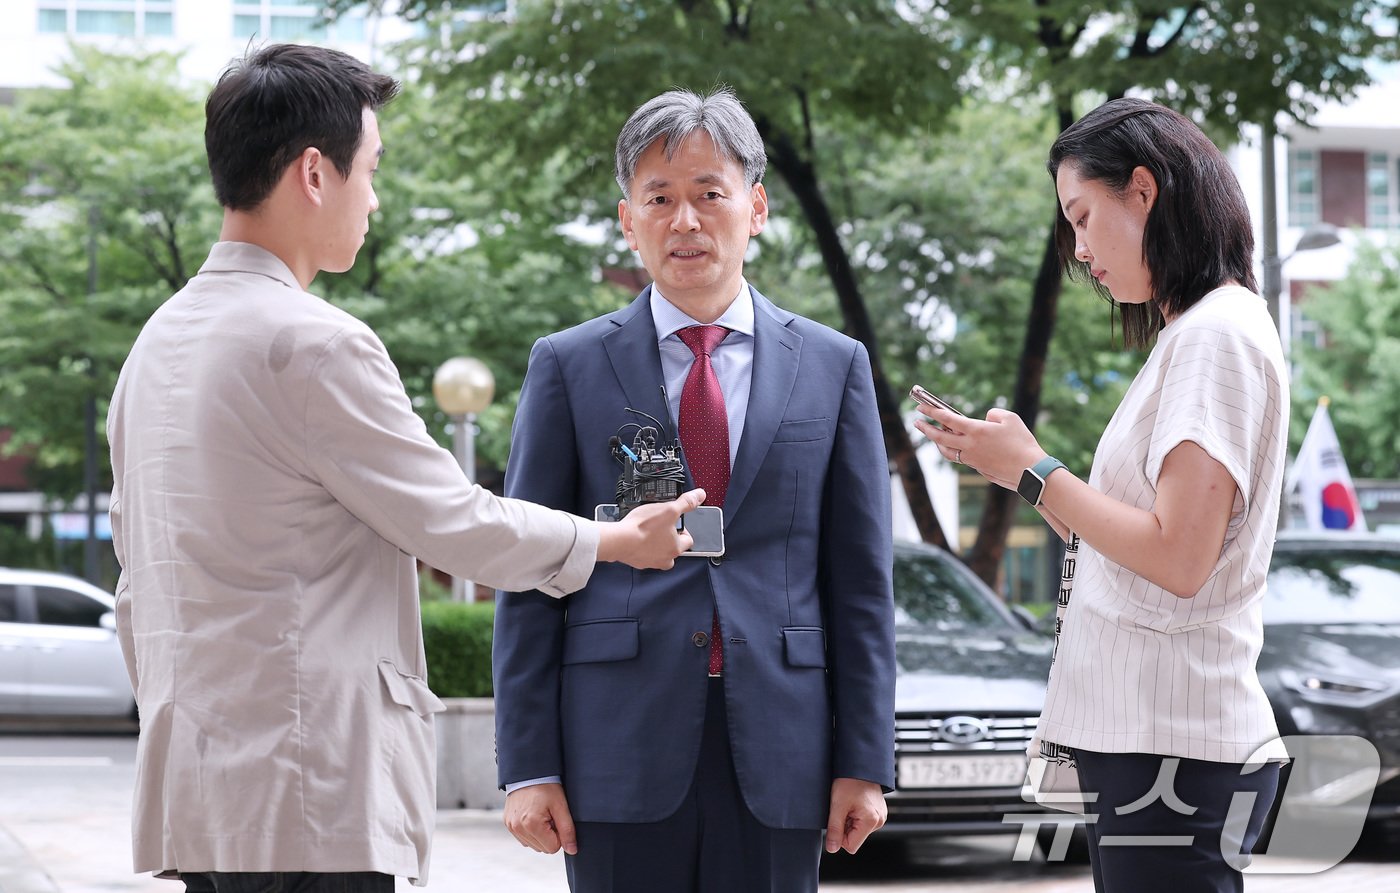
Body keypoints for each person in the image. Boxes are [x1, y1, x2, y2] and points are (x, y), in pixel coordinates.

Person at [106, 43, 703, 893]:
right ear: (316, 172)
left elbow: (137, 582)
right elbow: (455, 521)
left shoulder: (154, 345)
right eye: (371, 169)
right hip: (310, 788)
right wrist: (614, 540)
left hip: (203, 791)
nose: (374, 198)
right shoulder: (313, 342)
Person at [491, 87, 896, 893]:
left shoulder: (833, 364)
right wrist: (527, 763)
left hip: (782, 746)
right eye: (660, 198)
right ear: (626, 219)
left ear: (756, 206)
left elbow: (859, 584)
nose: (686, 221)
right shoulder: (568, 366)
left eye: (709, 194)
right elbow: (531, 568)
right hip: (615, 745)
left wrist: (864, 760)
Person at [917, 97, 1288, 892]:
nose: (1080, 250)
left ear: (1144, 192)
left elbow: (1179, 556)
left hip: (1174, 741)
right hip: (1161, 737)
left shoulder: (1213, 335)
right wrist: (1018, 468)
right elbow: (1138, 541)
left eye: (1084, 218)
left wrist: (1038, 467)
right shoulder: (1201, 331)